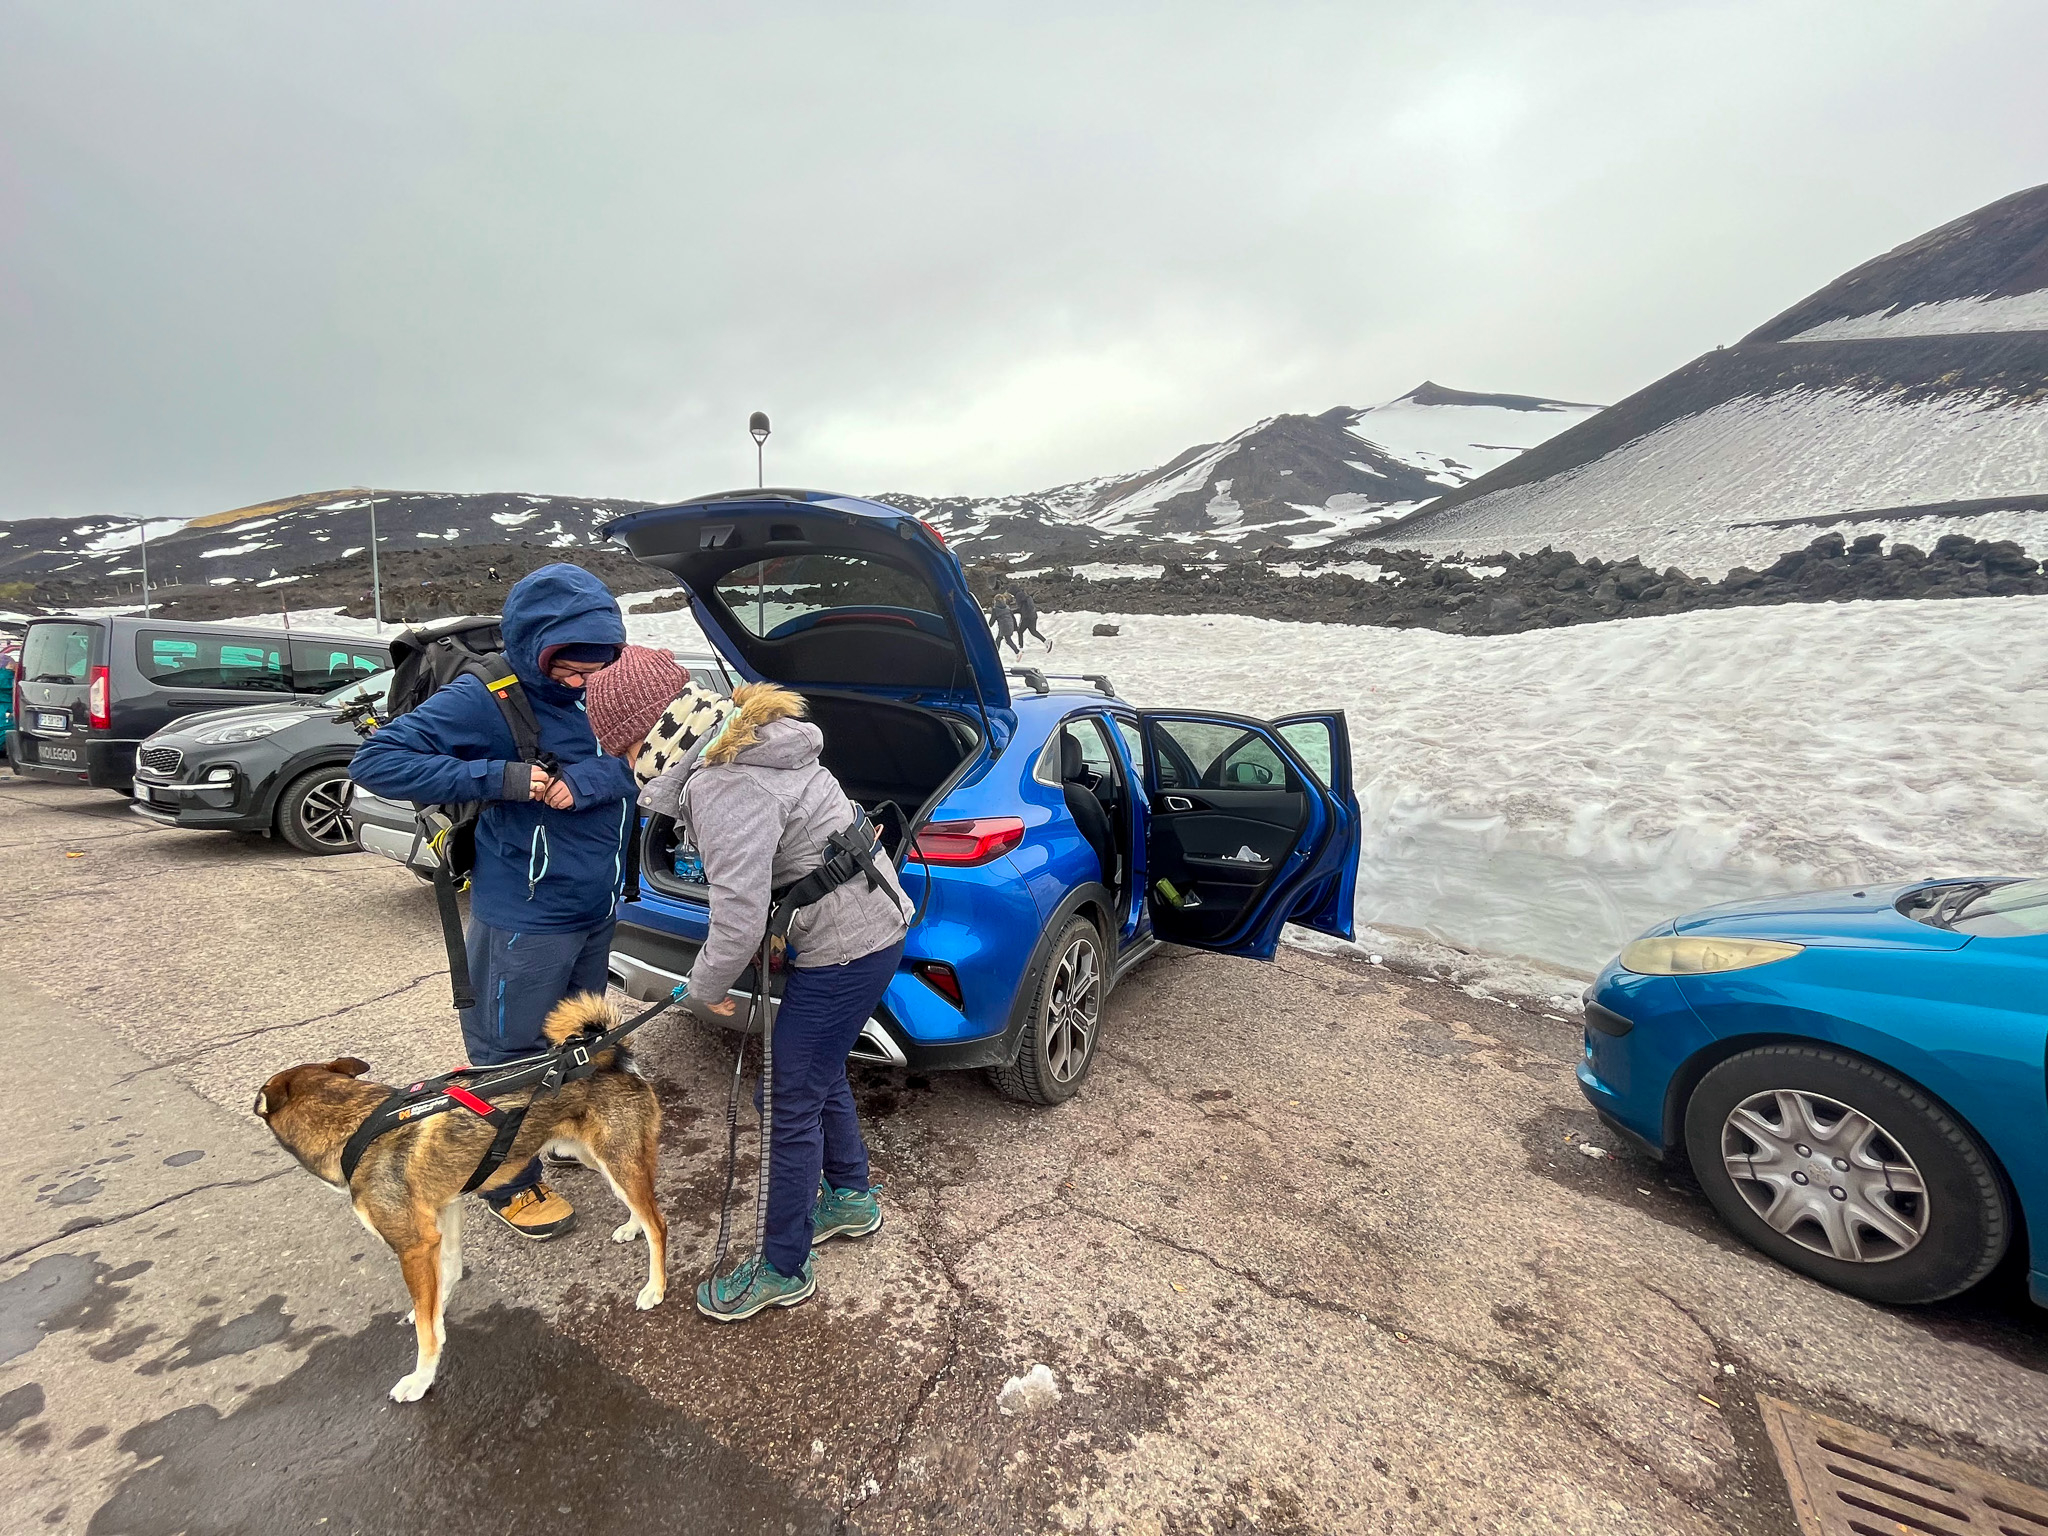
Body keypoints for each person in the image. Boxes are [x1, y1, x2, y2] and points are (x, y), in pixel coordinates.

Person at [591, 670, 912, 1322]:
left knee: (790, 1098)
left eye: (621, 751)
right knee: (815, 1074)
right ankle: (850, 1197)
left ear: (650, 737)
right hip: (874, 926)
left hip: (848, 948)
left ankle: (783, 1267)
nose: (623, 766)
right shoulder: (758, 737)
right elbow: (797, 855)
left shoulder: (725, 781)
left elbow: (735, 918)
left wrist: (701, 989)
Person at [348, 563, 637, 1242]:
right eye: (570, 668)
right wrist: (504, 778)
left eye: (597, 668)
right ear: (537, 645)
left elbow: (632, 760)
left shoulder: (604, 687)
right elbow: (377, 761)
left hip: (593, 907)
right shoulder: (488, 697)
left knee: (573, 1042)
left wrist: (591, 779)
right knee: (507, 1054)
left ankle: (555, 1134)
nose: (584, 683)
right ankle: (506, 1181)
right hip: (526, 916)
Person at [1011, 587, 1053, 651]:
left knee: (1020, 631)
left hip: (1026, 617)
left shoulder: (1018, 596)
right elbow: (1023, 608)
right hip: (1033, 616)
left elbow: (1022, 608)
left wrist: (1012, 611)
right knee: (1033, 631)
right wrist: (1013, 611)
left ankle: (1020, 648)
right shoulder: (1025, 596)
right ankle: (1046, 642)